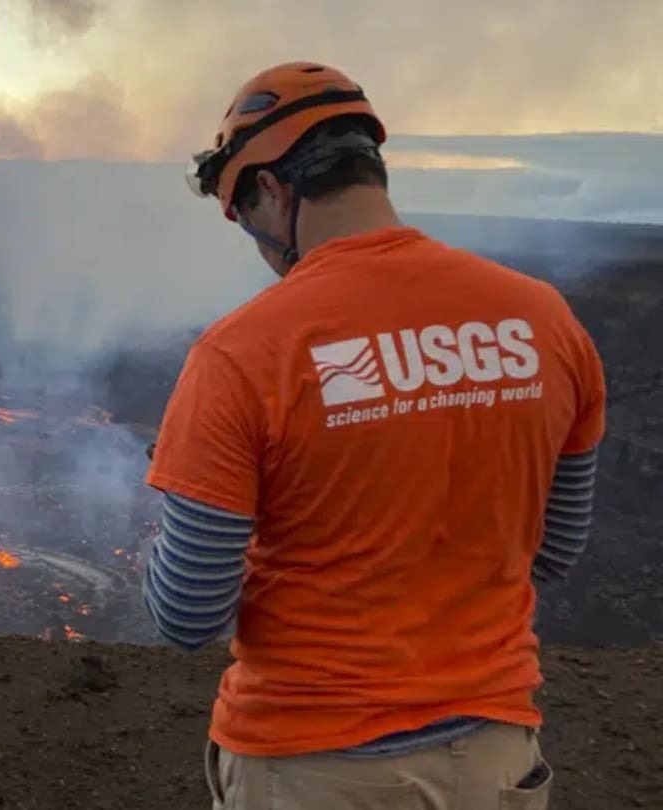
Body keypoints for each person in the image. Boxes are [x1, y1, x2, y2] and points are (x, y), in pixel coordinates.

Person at [141, 61, 607, 810]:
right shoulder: (545, 321)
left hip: (312, 766)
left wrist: (164, 536)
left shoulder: (245, 351)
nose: (256, 243)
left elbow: (187, 615)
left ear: (269, 189)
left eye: (243, 216)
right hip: (495, 762)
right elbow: (553, 551)